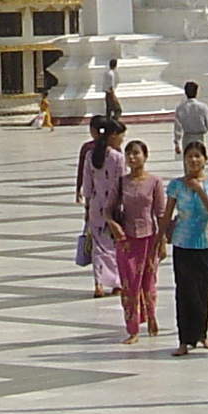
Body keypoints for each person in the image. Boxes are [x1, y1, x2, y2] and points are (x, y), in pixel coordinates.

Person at [106, 137, 166, 342]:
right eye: (128, 154)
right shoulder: (121, 182)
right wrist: (113, 225)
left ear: (145, 156)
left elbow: (160, 213)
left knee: (148, 283)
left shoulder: (155, 182)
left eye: (136, 153)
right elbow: (108, 209)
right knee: (129, 284)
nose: (132, 157)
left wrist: (162, 241)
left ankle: (151, 315)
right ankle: (133, 329)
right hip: (126, 240)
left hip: (148, 239)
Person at [166, 143, 208, 354]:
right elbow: (167, 214)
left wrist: (199, 190)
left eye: (197, 156)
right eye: (189, 156)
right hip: (182, 244)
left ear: (205, 159)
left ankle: (202, 334)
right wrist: (159, 241)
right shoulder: (176, 185)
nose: (193, 160)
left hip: (205, 243)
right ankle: (184, 339)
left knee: (204, 289)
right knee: (185, 291)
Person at [76, 119, 124, 297]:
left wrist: (87, 206)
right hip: (113, 205)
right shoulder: (117, 157)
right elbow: (121, 183)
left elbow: (87, 184)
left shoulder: (91, 155)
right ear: (113, 136)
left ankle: (99, 283)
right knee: (113, 244)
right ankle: (116, 282)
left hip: (96, 204)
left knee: (98, 246)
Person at [172, 82, 208, 165]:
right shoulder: (203, 107)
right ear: (196, 92)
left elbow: (178, 127)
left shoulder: (181, 108)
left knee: (188, 162)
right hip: (199, 137)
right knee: (199, 160)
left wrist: (177, 142)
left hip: (187, 137)